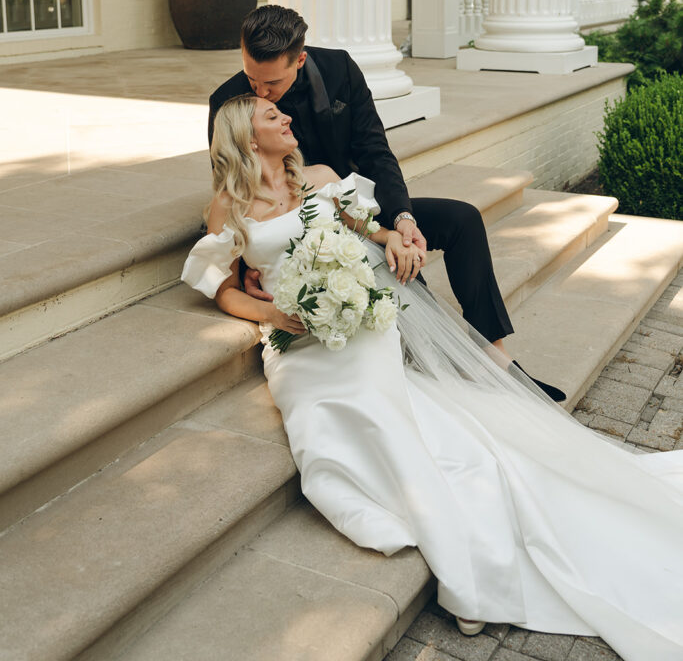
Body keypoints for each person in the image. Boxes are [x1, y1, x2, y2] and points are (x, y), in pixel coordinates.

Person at [183, 95, 683, 659]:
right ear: (248, 139)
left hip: (361, 323)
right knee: (327, 423)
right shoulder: (228, 207)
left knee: (385, 405)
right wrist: (274, 314)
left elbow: (365, 230)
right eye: (273, 118)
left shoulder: (320, 178)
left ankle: (467, 561)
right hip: (298, 341)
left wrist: (391, 237)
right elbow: (222, 288)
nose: (288, 118)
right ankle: (450, 532)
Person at [209, 4, 565, 401]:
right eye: (251, 77)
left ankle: (493, 355)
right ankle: (438, 357)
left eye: (271, 83)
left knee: (461, 219)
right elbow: (233, 190)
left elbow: (375, 150)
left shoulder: (339, 70)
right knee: (399, 267)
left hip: (352, 200)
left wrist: (402, 218)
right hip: (308, 227)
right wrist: (248, 267)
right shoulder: (228, 103)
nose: (258, 91)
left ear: (301, 59)